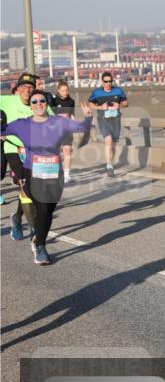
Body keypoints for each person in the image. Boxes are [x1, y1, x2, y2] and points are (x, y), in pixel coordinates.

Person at [3, 89, 92, 264]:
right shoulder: (22, 124)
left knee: (48, 211)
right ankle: (41, 246)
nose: (38, 104)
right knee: (43, 208)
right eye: (34, 101)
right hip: (32, 172)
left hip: (54, 173)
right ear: (30, 106)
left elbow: (81, 127)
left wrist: (88, 117)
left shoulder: (58, 122)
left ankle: (38, 237)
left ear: (46, 103)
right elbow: (2, 128)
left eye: (41, 101)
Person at [1, 74, 51, 240]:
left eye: (30, 87)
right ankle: (34, 231)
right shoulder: (7, 101)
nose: (27, 90)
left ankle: (16, 217)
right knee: (24, 184)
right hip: (13, 148)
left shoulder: (38, 102)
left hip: (33, 151)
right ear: (18, 89)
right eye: (24, 87)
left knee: (32, 190)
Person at [87, 71, 128, 177]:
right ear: (102, 82)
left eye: (110, 81)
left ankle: (110, 163)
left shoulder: (118, 91)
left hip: (115, 120)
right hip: (103, 120)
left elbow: (126, 103)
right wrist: (101, 107)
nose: (108, 84)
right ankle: (109, 165)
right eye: (106, 82)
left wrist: (118, 104)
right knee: (108, 140)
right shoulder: (97, 92)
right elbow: (90, 105)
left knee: (113, 146)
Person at [51, 81, 76, 181]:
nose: (65, 92)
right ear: (58, 91)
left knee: (67, 150)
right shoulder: (53, 101)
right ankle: (56, 171)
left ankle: (66, 175)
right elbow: (50, 115)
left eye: (67, 90)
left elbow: (72, 114)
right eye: (63, 90)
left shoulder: (71, 101)